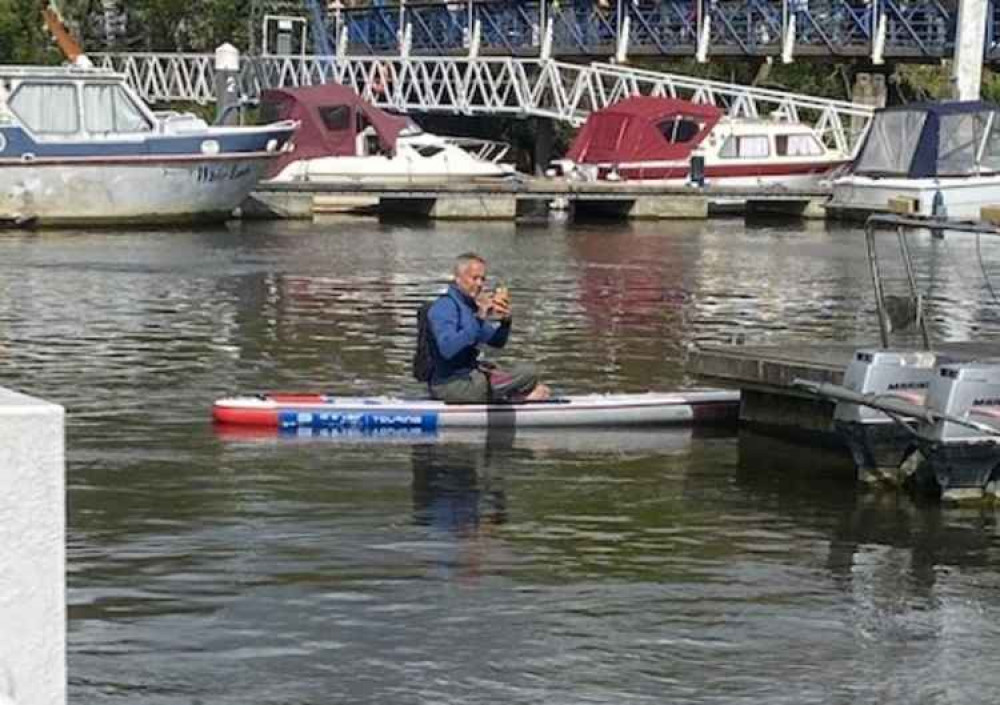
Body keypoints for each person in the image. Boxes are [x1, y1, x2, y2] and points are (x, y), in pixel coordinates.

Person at [426, 252, 551, 403]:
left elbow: (497, 342)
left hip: (472, 377)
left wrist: (505, 321)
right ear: (458, 278)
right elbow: (448, 348)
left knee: (530, 374)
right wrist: (479, 316)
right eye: (474, 278)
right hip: (449, 384)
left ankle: (508, 394)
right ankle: (512, 398)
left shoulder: (470, 307)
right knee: (529, 374)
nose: (480, 284)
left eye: (482, 279)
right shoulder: (444, 307)